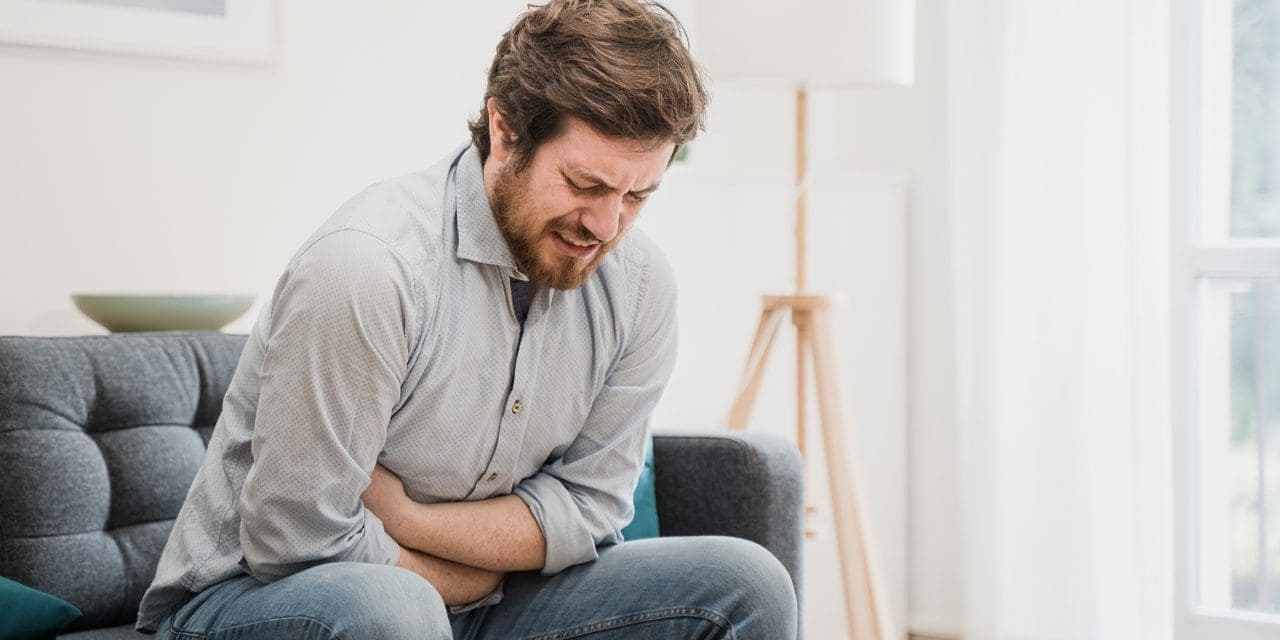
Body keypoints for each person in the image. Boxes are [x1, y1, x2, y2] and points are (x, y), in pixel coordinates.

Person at [135, 1, 798, 638]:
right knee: (391, 613)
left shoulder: (640, 285)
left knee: (745, 583)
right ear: (506, 131)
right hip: (256, 602)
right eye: (585, 185)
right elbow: (297, 540)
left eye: (637, 196)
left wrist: (407, 516)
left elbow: (589, 512)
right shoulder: (370, 268)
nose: (605, 225)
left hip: (459, 596)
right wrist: (474, 577)